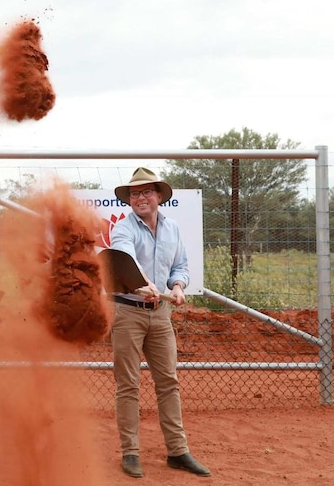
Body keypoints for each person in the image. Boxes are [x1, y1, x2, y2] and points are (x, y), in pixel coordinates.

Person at [108, 167, 211, 478]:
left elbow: (180, 265)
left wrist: (177, 286)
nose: (140, 197)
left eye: (146, 192)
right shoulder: (123, 229)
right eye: (134, 193)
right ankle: (130, 453)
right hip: (127, 312)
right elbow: (124, 258)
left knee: (168, 383)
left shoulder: (173, 229)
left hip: (161, 315)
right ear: (129, 199)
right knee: (128, 386)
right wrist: (143, 282)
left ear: (158, 196)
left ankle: (178, 452)